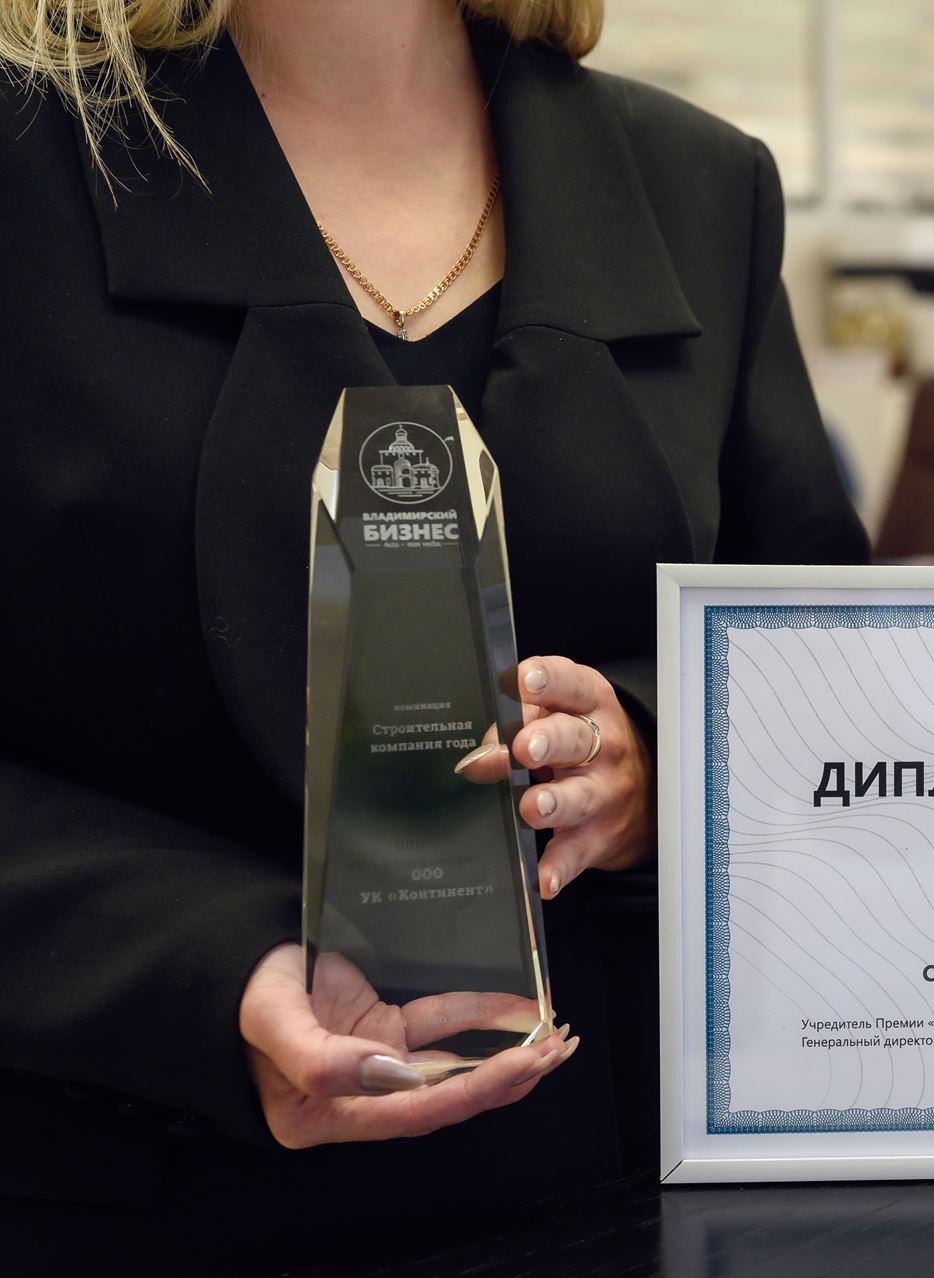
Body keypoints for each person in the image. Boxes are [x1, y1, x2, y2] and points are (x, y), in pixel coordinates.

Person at [0, 0, 867, 1263]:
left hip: (628, 1186)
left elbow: (832, 677)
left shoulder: (699, 187)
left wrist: (659, 759)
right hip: (127, 1184)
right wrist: (206, 968)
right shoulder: (28, 171)